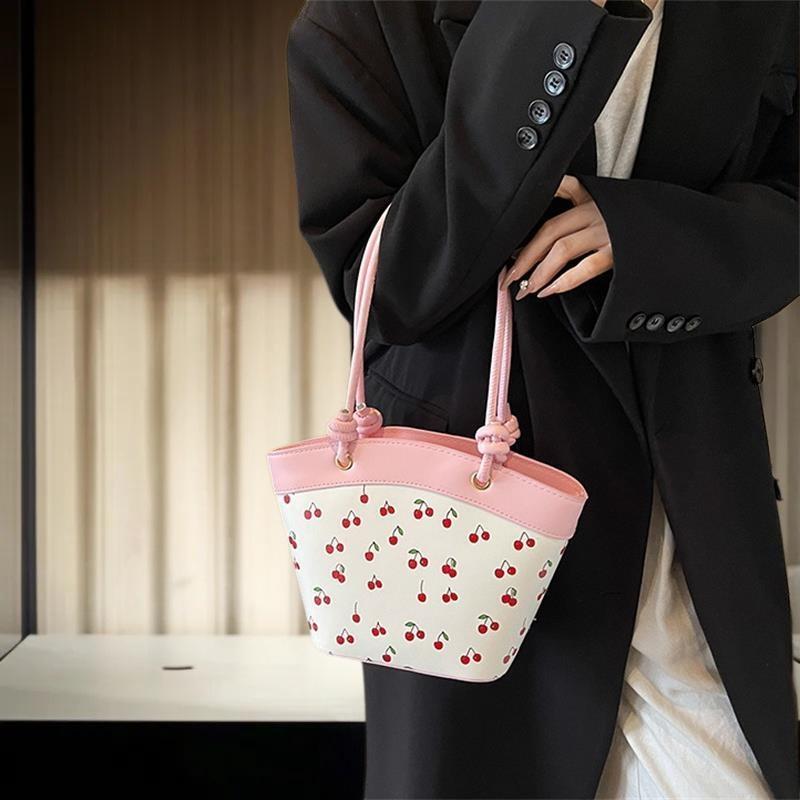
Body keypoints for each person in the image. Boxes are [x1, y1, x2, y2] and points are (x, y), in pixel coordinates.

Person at [285, 1, 800, 797]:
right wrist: (551, 18)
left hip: (689, 532)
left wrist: (649, 238)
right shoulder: (366, 17)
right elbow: (389, 288)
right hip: (473, 548)